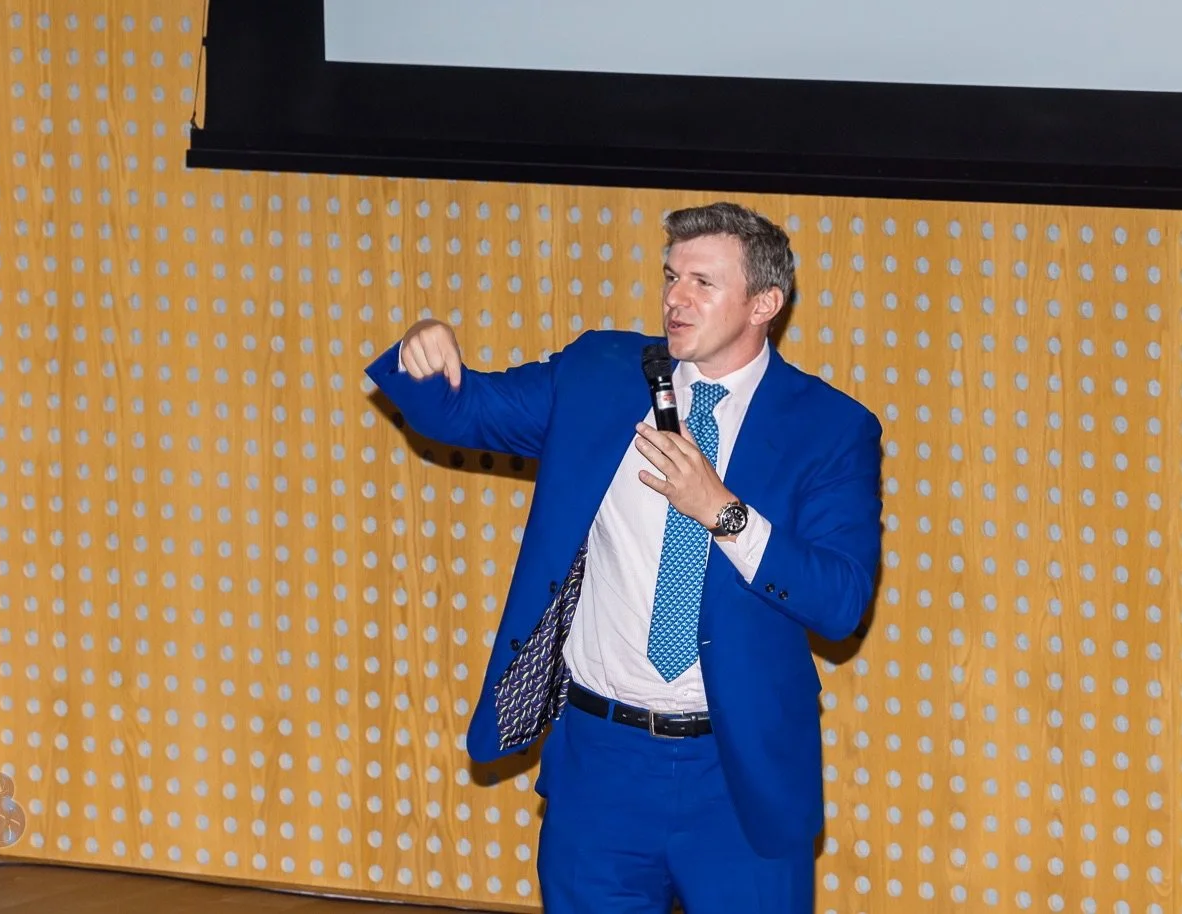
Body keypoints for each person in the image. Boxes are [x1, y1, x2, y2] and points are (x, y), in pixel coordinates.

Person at [365, 201, 883, 913]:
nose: (676, 298)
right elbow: (463, 411)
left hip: (738, 773)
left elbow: (840, 601)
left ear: (765, 303)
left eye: (703, 282)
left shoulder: (829, 428)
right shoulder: (602, 376)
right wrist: (426, 348)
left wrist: (723, 512)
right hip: (600, 766)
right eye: (672, 276)